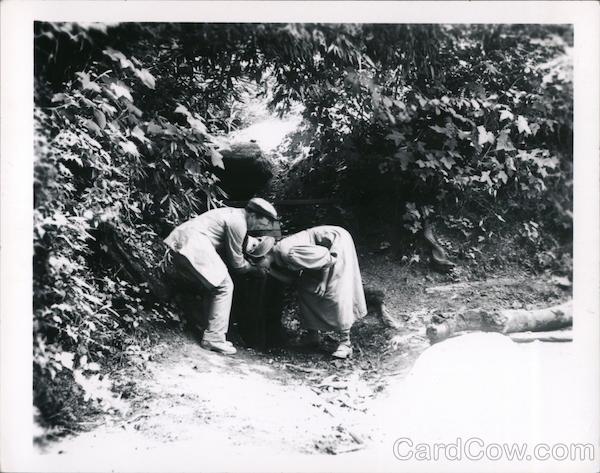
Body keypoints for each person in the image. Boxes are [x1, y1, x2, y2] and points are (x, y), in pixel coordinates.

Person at [164, 198, 278, 355]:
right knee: (224, 286)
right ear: (253, 215)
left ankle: (209, 330)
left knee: (214, 286)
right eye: (261, 224)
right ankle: (214, 338)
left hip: (182, 239)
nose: (259, 228)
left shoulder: (233, 214)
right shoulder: (239, 223)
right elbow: (237, 264)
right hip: (194, 242)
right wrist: (254, 269)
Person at [244, 225, 367, 359]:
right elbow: (294, 280)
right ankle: (313, 336)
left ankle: (345, 343)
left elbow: (326, 258)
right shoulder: (279, 255)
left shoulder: (288, 253)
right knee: (306, 288)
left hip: (336, 241)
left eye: (257, 261)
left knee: (334, 291)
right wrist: (269, 271)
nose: (257, 265)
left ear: (265, 256)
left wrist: (323, 282)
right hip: (323, 252)